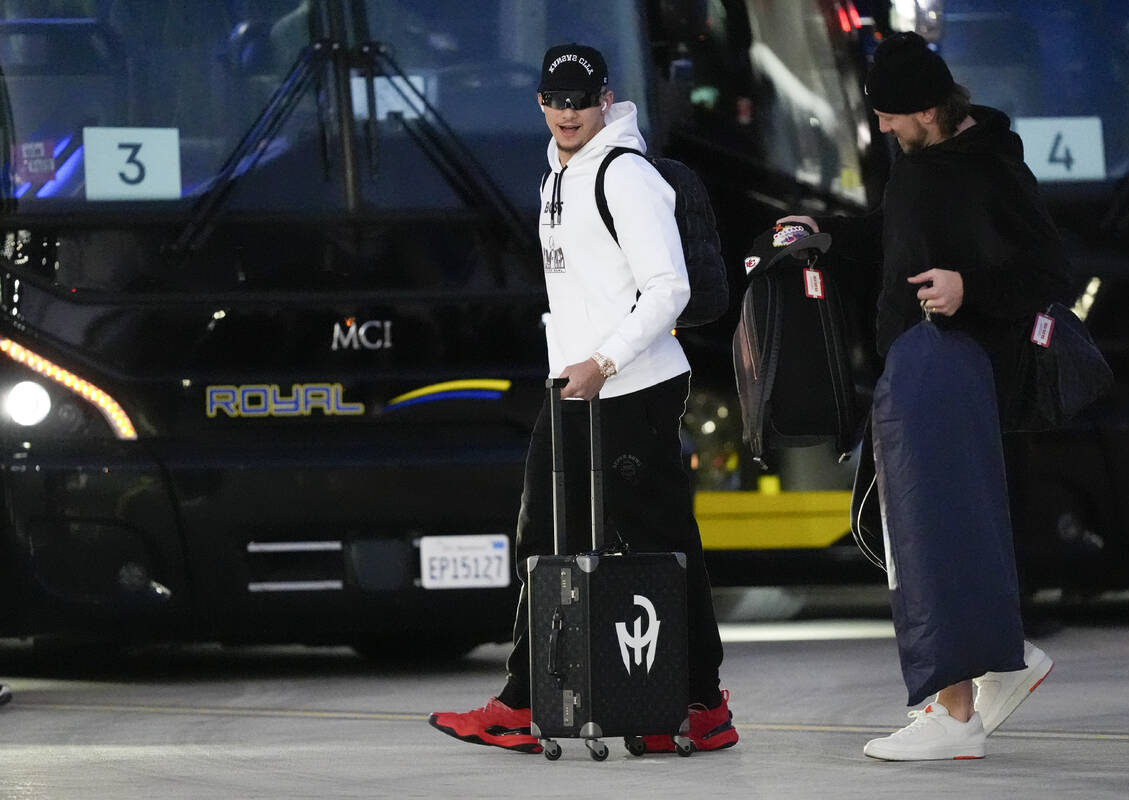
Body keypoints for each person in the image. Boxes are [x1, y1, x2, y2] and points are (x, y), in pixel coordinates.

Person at [428, 43, 737, 755]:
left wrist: (605, 360)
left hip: (631, 384)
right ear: (540, 101)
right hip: (576, 383)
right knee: (544, 537)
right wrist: (580, 368)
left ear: (605, 100)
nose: (568, 113)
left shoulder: (625, 175)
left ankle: (700, 703)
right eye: (556, 100)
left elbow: (671, 288)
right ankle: (527, 702)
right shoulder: (557, 173)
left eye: (580, 100)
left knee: (659, 542)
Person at [779, 32, 1064, 760]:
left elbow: (1046, 274)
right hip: (919, 360)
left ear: (931, 109)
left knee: (929, 536)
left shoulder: (989, 167)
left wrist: (970, 290)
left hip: (949, 362)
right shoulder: (923, 165)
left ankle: (954, 712)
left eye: (890, 115)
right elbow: (892, 235)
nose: (880, 127)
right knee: (934, 528)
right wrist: (828, 235)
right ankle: (999, 662)